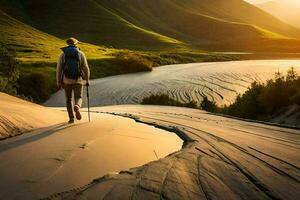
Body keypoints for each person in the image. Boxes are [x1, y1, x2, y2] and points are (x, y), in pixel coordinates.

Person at [56, 37, 90, 123]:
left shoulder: (62, 55)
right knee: (78, 97)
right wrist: (87, 79)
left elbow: (59, 69)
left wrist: (58, 81)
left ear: (67, 44)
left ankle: (71, 118)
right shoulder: (81, 53)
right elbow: (86, 68)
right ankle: (77, 106)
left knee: (68, 99)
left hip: (66, 80)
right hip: (78, 80)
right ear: (76, 44)